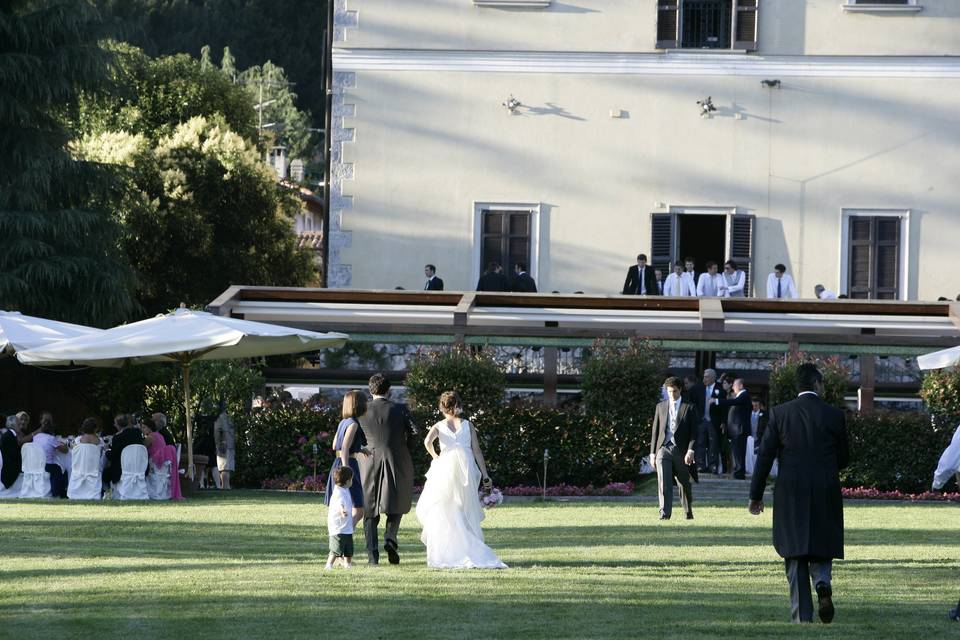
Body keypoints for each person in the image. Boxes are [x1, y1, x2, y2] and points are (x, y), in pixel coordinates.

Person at [749, 363, 849, 624]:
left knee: (794, 552)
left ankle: (802, 616)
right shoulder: (834, 415)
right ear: (817, 384)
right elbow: (844, 458)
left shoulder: (780, 414)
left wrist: (755, 495)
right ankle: (823, 583)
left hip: (791, 490)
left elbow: (765, 458)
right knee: (822, 544)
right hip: (825, 488)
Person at [416, 391, 506, 568]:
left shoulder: (439, 425)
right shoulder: (467, 425)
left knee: (446, 507)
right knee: (464, 507)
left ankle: (449, 549)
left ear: (442, 406)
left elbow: (427, 442)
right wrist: (485, 474)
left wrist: (435, 456)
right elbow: (477, 451)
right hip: (465, 469)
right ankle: (466, 547)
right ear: (457, 404)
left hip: (445, 468)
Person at [358, 373, 416, 565]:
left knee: (369, 508)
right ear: (389, 390)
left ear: (370, 389)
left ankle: (372, 557)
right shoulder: (399, 409)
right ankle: (390, 536)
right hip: (396, 457)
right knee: (396, 500)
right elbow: (416, 431)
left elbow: (354, 434)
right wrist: (406, 448)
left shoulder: (361, 409)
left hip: (368, 459)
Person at [650, 377, 699, 520]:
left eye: (674, 391)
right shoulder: (660, 406)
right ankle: (665, 514)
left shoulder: (689, 407)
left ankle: (687, 511)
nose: (672, 395)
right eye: (669, 391)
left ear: (680, 389)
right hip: (663, 448)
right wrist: (652, 453)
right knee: (663, 482)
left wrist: (691, 450)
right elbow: (655, 430)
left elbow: (694, 432)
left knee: (684, 483)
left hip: (681, 450)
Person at [325, 390, 370, 526]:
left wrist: (359, 449)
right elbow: (344, 448)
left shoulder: (343, 422)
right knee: (359, 509)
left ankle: (343, 530)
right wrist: (347, 470)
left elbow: (335, 446)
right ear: (359, 405)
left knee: (340, 502)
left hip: (337, 463)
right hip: (347, 463)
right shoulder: (354, 424)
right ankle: (346, 531)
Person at [714, 378, 752, 479]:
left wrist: (717, 401)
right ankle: (737, 470)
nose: (733, 387)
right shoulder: (740, 396)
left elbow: (734, 402)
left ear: (741, 386)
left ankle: (739, 472)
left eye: (735, 385)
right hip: (735, 430)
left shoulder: (744, 395)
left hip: (739, 429)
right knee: (736, 452)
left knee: (739, 452)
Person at [141, 416, 183, 500]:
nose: (142, 429)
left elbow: (142, 448)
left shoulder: (150, 437)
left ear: (149, 428)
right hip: (164, 463)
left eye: (144, 427)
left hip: (155, 462)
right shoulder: (160, 435)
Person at [30, 412, 68, 498]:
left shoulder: (35, 437)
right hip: (46, 465)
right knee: (58, 469)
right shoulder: (51, 438)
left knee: (56, 468)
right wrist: (62, 444)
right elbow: (65, 451)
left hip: (35, 464)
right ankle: (57, 492)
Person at [693, 369, 724, 473]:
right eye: (704, 376)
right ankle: (700, 465)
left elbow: (724, 407)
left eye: (706, 377)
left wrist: (723, 422)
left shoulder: (720, 389)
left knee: (713, 444)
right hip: (701, 420)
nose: (704, 379)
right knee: (700, 443)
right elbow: (692, 403)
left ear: (713, 378)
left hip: (713, 421)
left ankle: (713, 465)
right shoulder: (698, 388)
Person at [326, 465, 356, 569]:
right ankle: (329, 564)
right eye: (351, 479)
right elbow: (340, 503)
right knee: (336, 547)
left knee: (349, 548)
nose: (352, 481)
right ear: (347, 480)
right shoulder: (338, 492)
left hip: (346, 527)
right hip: (338, 527)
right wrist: (342, 511)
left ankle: (348, 564)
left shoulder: (344, 489)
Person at [104, 413, 144, 489]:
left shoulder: (118, 437)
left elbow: (112, 456)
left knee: (104, 473)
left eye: (115, 424)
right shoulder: (138, 433)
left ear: (119, 425)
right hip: (138, 468)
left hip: (121, 470)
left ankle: (107, 492)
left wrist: (106, 450)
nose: (114, 425)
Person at [214, 403, 236, 490]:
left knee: (223, 468)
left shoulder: (220, 419)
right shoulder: (229, 418)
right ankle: (227, 486)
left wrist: (219, 444)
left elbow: (217, 433)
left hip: (223, 445)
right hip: (230, 445)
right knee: (227, 468)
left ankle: (225, 487)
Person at [1, 415, 22, 492]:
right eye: (18, 423)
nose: (20, 424)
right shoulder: (9, 436)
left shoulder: (10, 435)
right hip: (10, 468)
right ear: (12, 425)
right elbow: (13, 454)